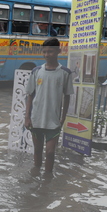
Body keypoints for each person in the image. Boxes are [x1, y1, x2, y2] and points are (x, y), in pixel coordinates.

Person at [24, 37, 75, 176]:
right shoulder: (36, 71)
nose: (47, 55)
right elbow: (30, 95)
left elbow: (67, 96)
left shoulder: (65, 73)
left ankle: (47, 177)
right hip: (37, 118)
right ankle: (35, 174)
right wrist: (27, 117)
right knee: (37, 150)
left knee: (51, 152)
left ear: (59, 51)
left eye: (50, 52)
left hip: (54, 120)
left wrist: (63, 118)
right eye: (44, 52)